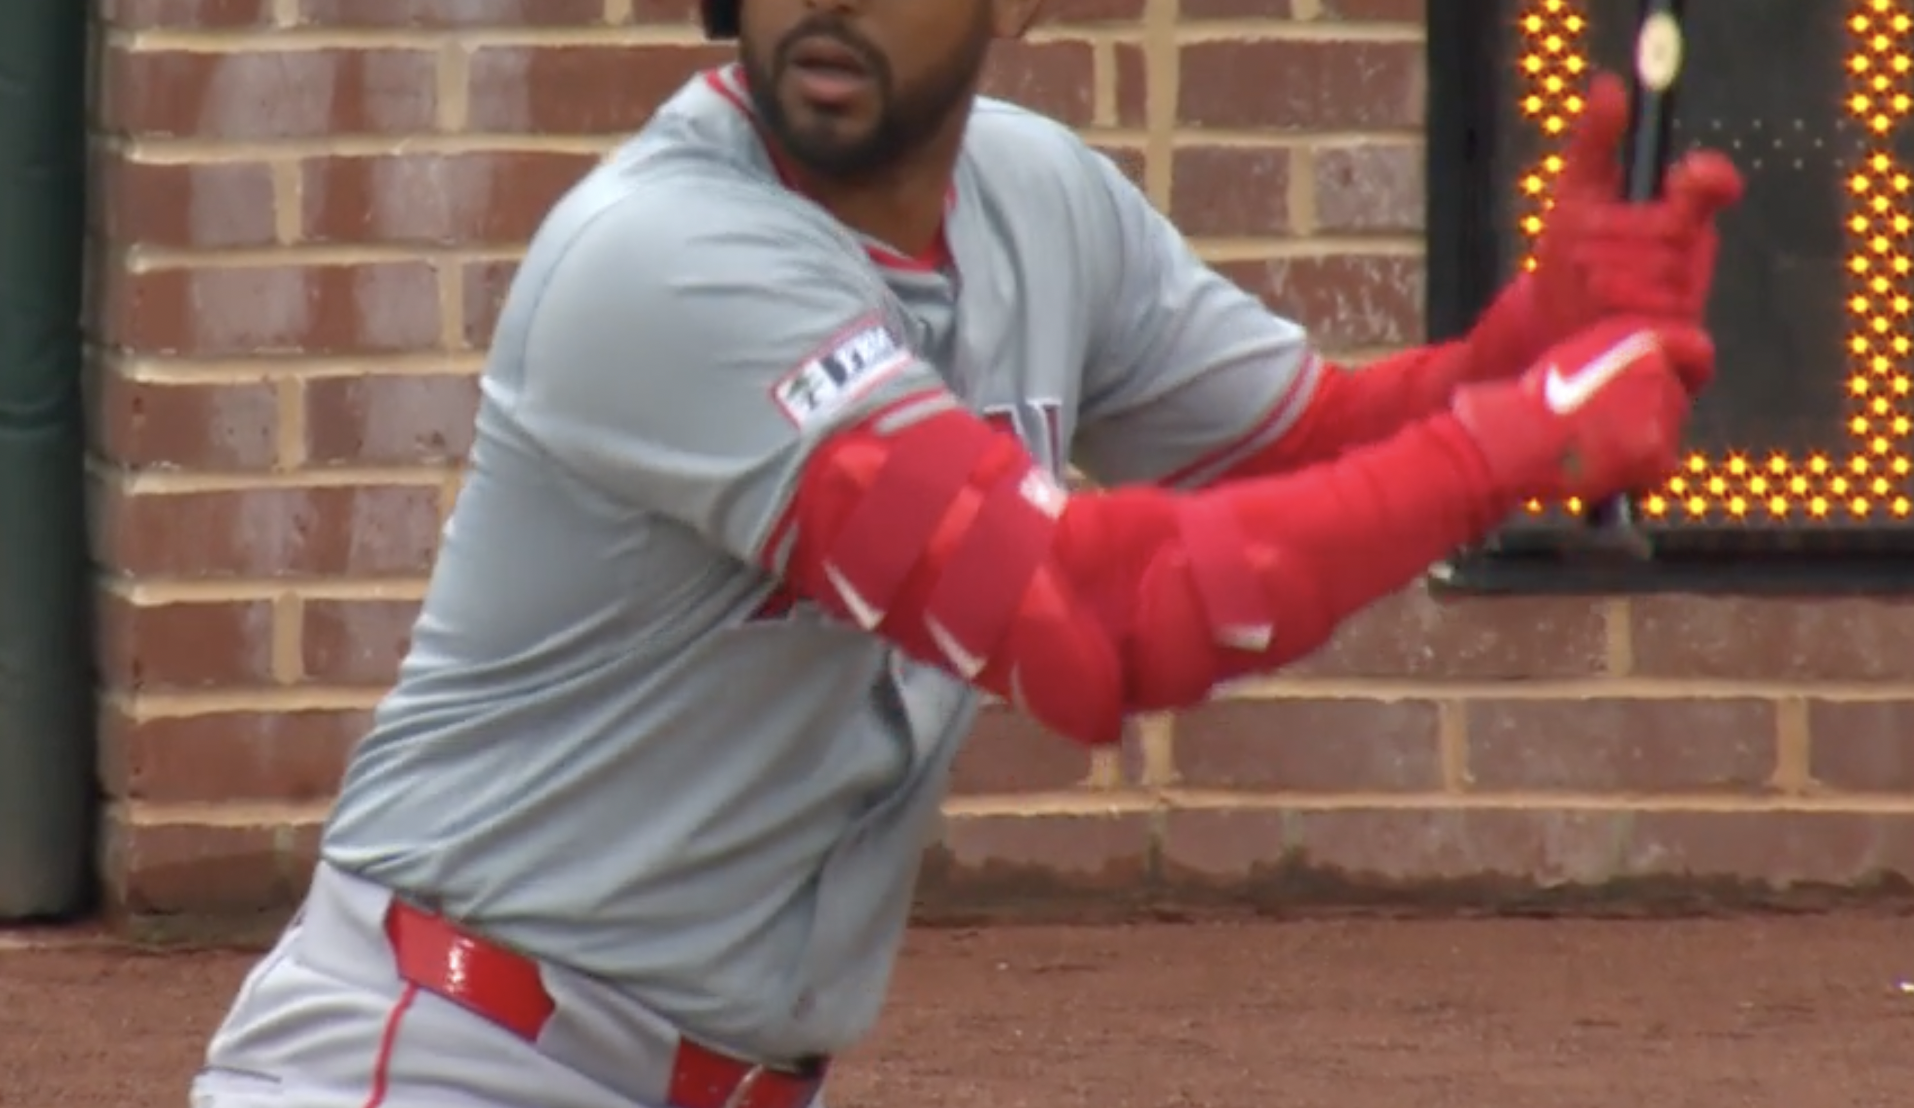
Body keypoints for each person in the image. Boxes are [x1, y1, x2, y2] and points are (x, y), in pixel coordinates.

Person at [187, 0, 1745, 1105]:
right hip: (447, 1061)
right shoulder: (664, 260)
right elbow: (1094, 622)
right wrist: (1517, 435)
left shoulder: (1038, 198)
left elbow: (1304, 453)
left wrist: (1520, 347)